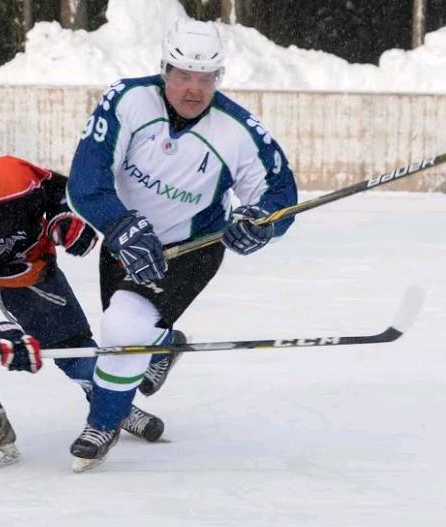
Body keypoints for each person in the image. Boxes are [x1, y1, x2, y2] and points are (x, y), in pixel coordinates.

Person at [64, 18, 298, 471]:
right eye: (184, 75)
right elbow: (86, 181)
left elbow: (278, 195)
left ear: (219, 77)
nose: (194, 89)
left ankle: (103, 423)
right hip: (125, 241)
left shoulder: (238, 130)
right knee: (127, 333)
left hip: (192, 248)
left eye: (206, 78)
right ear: (165, 69)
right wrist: (120, 226)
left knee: (122, 329)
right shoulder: (128, 100)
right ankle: (163, 344)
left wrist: (260, 223)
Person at [0, 140, 165, 469]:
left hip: (27, 269)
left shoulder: (13, 175)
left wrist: (64, 219)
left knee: (71, 346)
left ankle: (113, 405)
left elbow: (63, 192)